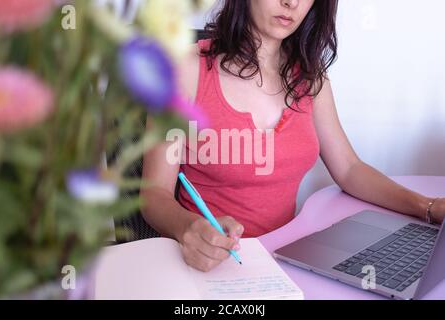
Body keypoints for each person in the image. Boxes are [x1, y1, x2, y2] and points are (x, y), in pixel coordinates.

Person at [141, 0, 444, 272]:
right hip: (212, 262)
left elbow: (350, 169)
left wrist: (427, 207)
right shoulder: (184, 71)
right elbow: (153, 193)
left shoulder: (311, 78)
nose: (291, 3)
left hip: (285, 262)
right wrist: (189, 228)